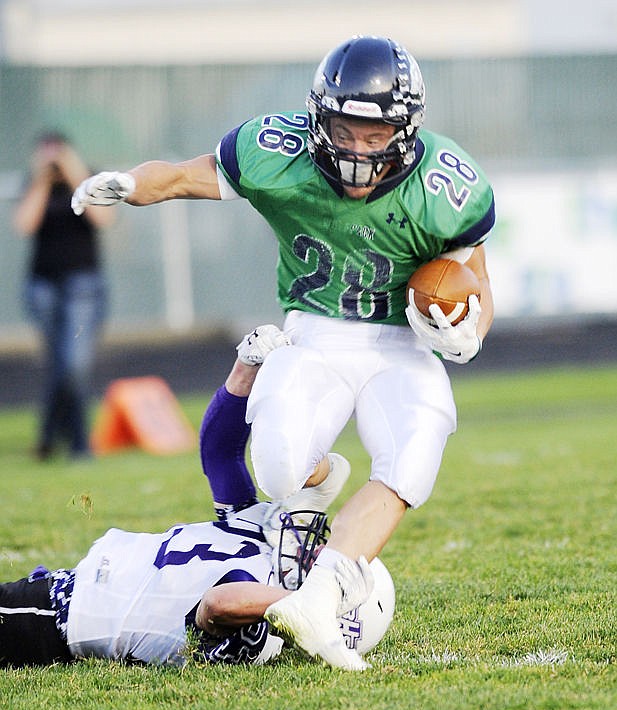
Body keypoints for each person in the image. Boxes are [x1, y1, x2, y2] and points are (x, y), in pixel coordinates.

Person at [71, 35, 495, 670]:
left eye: (374, 134)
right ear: (318, 117)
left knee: (414, 450)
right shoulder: (279, 152)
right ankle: (323, 482)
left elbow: (479, 286)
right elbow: (187, 175)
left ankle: (320, 598)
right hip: (316, 333)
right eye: (345, 127)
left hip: (401, 345)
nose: (356, 148)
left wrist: (468, 328)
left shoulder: (443, 184)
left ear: (406, 130)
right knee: (275, 467)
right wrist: (132, 183)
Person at [0, 330, 394, 668]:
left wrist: (303, 600)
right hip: (64, 587)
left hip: (61, 618)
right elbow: (220, 454)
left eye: (328, 565)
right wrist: (245, 370)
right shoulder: (263, 533)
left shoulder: (265, 632)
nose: (320, 551)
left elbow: (216, 605)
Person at [13, 131, 114, 460]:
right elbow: (24, 225)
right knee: (59, 363)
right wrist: (42, 180)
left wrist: (75, 174)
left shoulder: (89, 177)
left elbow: (103, 219)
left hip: (83, 284)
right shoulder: (34, 182)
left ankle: (71, 441)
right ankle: (61, 440)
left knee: (73, 363)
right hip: (43, 285)